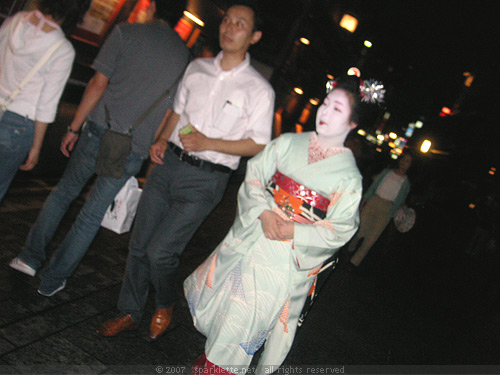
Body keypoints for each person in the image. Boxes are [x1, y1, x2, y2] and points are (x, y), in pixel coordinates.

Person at [96, 1, 275, 341]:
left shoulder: (259, 90)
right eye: (227, 20)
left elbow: (259, 144)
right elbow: (177, 113)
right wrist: (162, 139)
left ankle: (165, 303)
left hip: (206, 179)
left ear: (254, 36)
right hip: (168, 165)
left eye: (240, 24)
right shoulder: (198, 68)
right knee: (139, 244)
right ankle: (129, 312)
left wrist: (211, 142)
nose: (230, 27)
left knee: (160, 251)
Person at [184, 75, 367, 373]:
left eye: (337, 110)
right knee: (231, 317)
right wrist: (264, 211)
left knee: (242, 323)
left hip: (286, 259)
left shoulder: (349, 177)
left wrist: (294, 229)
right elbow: (255, 175)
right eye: (325, 103)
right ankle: (210, 365)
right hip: (255, 239)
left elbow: (342, 227)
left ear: (352, 124)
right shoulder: (287, 143)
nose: (325, 112)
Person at [9, 0, 191, 297]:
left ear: (154, 6)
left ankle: (29, 259)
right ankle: (53, 279)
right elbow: (174, 111)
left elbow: (97, 83)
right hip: (133, 147)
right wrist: (150, 146)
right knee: (92, 215)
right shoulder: (184, 58)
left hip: (97, 131)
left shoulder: (126, 32)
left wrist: (73, 126)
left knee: (64, 193)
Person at [0, 0, 90, 202]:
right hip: (18, 124)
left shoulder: (14, 21)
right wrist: (36, 147)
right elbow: (46, 105)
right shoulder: (62, 50)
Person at [347, 152, 412, 266]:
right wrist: (364, 200)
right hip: (374, 201)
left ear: (410, 165)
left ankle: (354, 262)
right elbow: (374, 186)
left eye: (407, 161)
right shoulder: (387, 173)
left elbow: (401, 198)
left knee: (371, 238)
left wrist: (402, 206)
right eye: (403, 159)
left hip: (388, 209)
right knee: (361, 229)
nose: (404, 162)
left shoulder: (406, 183)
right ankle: (351, 245)